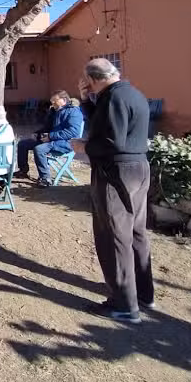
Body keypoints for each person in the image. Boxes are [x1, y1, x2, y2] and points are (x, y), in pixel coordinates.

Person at [78, 58, 153, 324]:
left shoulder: (113, 98)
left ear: (92, 79)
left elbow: (111, 142)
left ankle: (124, 305)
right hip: (138, 168)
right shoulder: (131, 93)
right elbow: (106, 124)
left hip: (115, 172)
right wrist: (86, 101)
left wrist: (83, 147)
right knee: (135, 231)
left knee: (114, 235)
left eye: (87, 82)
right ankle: (143, 293)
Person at [14, 90, 83, 188]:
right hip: (52, 140)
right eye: (52, 102)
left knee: (39, 149)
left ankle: (45, 178)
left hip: (67, 143)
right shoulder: (55, 111)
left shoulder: (73, 111)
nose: (52, 104)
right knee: (22, 144)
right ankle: (23, 171)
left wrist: (50, 136)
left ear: (64, 100)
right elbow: (48, 127)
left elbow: (73, 132)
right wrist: (38, 134)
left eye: (55, 101)